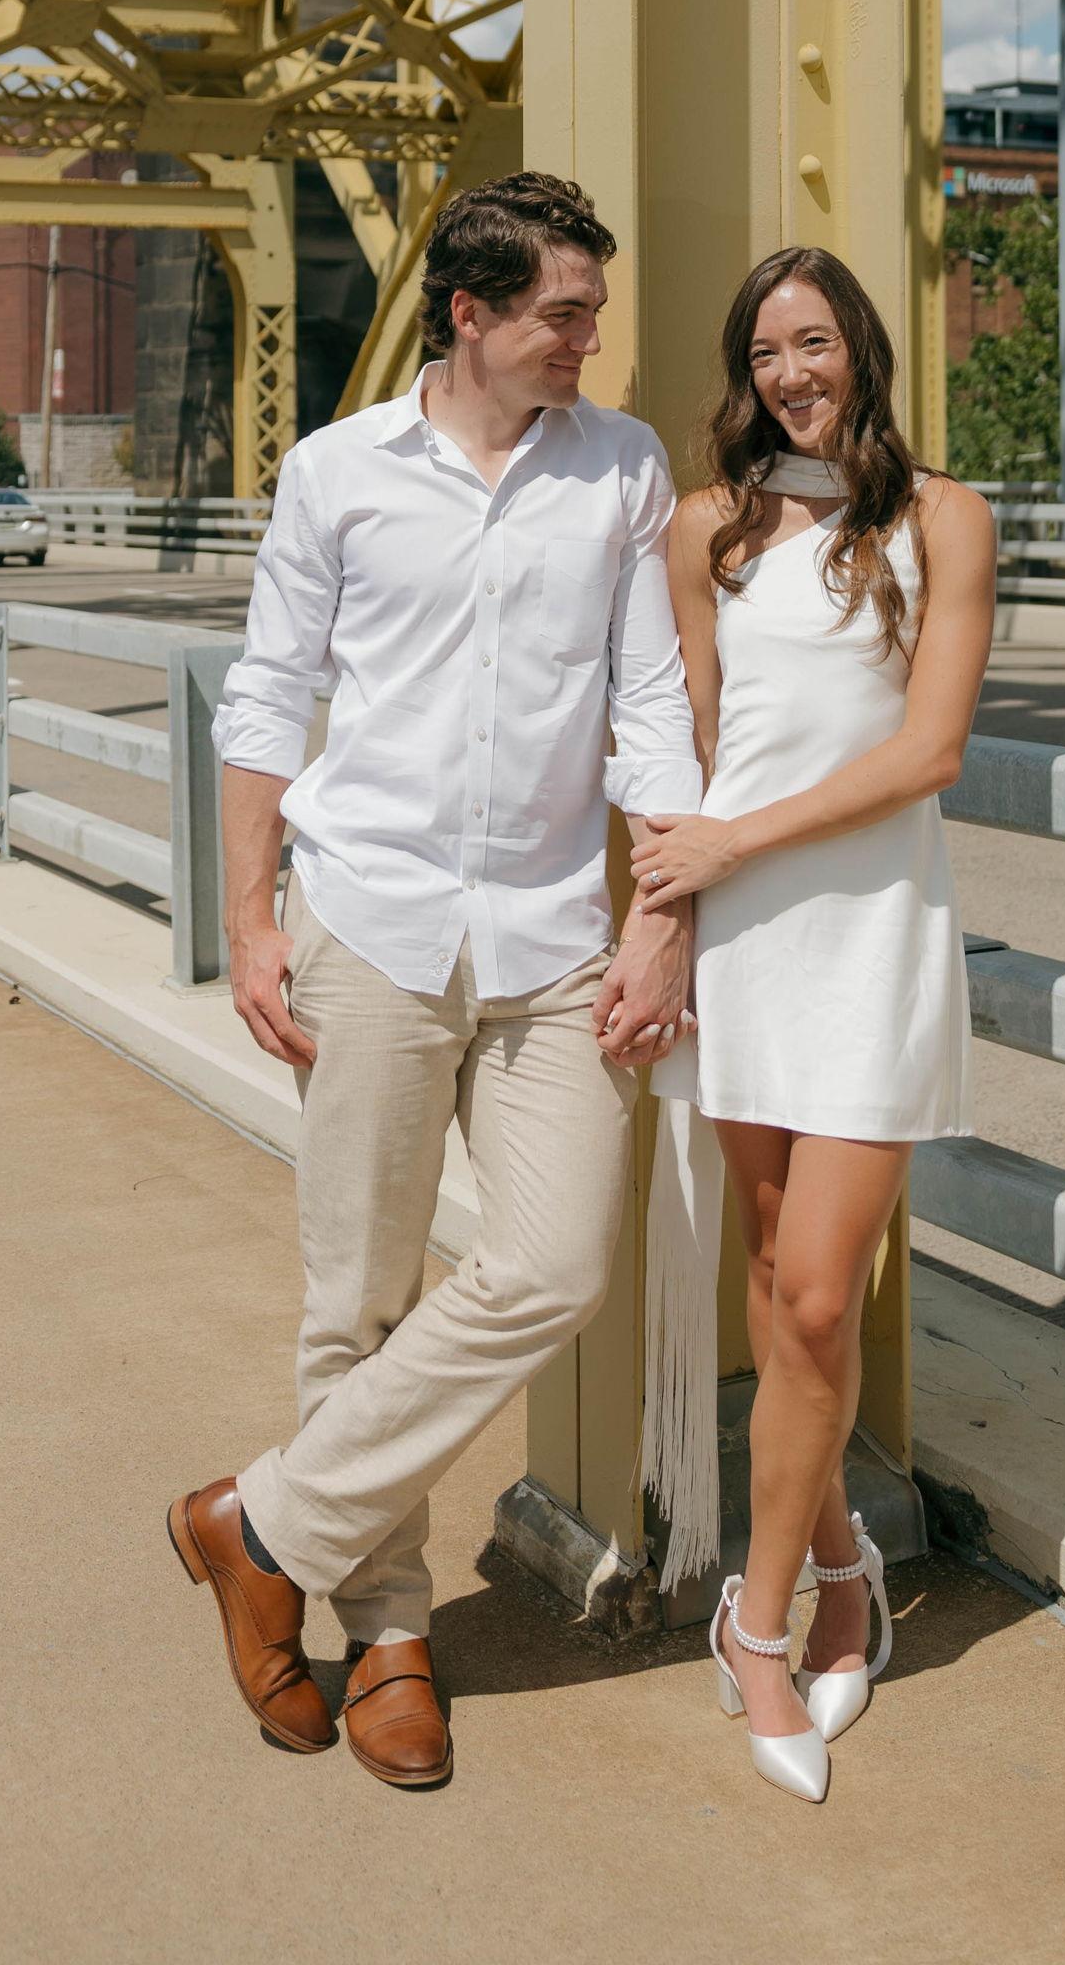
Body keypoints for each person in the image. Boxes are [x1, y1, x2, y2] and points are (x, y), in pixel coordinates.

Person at [167, 172, 701, 1789]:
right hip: (370, 923)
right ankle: (388, 1633)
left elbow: (650, 703)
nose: (587, 339)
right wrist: (250, 919)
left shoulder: (622, 466)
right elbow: (268, 698)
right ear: (468, 313)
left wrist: (662, 913)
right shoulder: (337, 473)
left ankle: (258, 1525)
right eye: (563, 314)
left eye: (591, 312)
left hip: (550, 939)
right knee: (362, 1295)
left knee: (555, 1262)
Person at [637, 246, 995, 1802]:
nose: (793, 372)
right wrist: (669, 910)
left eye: (816, 341)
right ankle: (843, 1565)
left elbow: (929, 753)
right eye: (766, 350)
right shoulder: (704, 530)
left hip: (869, 937)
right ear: (745, 372)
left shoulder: (943, 520)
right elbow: (692, 742)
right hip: (743, 946)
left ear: (863, 348)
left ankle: (757, 1624)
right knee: (783, 1290)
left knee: (821, 1296)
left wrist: (735, 842)